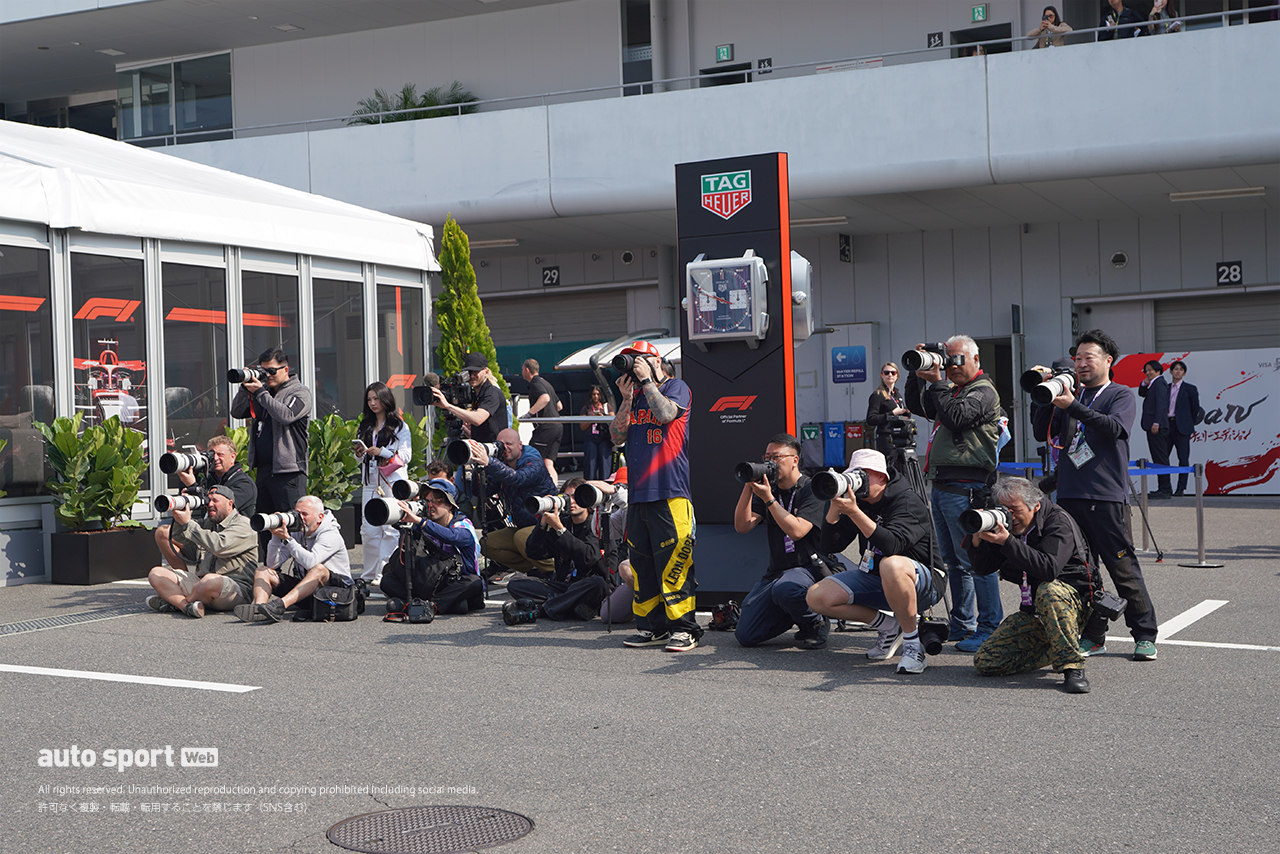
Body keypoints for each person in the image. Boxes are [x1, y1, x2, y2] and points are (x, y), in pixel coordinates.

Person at [1032, 329, 1159, 661]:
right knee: (1082, 572)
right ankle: (1093, 635)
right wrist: (1043, 394)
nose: (1081, 364)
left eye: (1089, 357)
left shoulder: (1120, 394)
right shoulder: (1070, 395)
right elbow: (1041, 431)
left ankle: (1145, 634)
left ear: (1108, 361)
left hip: (1105, 496)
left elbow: (1115, 428)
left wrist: (1072, 405)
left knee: (1123, 568)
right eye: (1077, 358)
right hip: (1069, 497)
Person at [904, 335, 1003, 653]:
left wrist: (937, 382)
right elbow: (918, 407)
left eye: (958, 359)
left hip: (968, 488)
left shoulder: (983, 391)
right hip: (943, 486)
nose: (951, 366)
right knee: (953, 562)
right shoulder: (954, 391)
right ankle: (963, 623)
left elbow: (956, 418)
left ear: (976, 360)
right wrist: (917, 373)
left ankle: (989, 627)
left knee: (976, 561)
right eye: (948, 359)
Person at [806, 449, 943, 675]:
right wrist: (834, 509)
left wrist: (855, 513)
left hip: (923, 583)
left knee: (891, 564)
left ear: (882, 476)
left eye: (863, 474)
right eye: (853, 474)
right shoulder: (859, 502)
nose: (857, 481)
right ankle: (890, 627)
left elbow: (892, 546)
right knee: (817, 596)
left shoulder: (907, 500)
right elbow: (830, 546)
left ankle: (912, 645)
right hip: (877, 577)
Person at [968, 477, 1104, 694]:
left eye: (1015, 510)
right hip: (1035, 611)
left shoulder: (1058, 523)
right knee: (986, 661)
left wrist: (1007, 542)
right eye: (1004, 510)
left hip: (1073, 605)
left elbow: (1048, 569)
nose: (1010, 516)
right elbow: (983, 568)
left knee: (1049, 591)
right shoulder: (1006, 527)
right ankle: (1058, 646)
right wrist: (977, 541)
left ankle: (1072, 666)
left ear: (1035, 506)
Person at [609, 340, 700, 652]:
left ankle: (685, 629)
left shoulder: (677, 387)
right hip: (638, 495)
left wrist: (647, 380)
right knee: (642, 565)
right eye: (630, 360)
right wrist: (625, 399)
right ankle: (651, 627)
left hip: (670, 491)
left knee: (675, 563)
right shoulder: (634, 396)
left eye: (638, 359)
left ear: (655, 361)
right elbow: (616, 436)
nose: (633, 365)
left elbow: (665, 414)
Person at [733, 433, 830, 650]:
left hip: (808, 568)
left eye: (776, 457)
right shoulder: (770, 489)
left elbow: (798, 531)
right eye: (766, 457)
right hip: (777, 572)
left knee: (786, 589)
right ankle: (793, 612)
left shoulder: (811, 488)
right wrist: (749, 486)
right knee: (746, 635)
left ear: (795, 460)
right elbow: (742, 526)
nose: (770, 463)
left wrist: (769, 499)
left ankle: (815, 621)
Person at [229, 348, 312, 553]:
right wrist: (245, 387)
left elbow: (286, 415)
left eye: (272, 371)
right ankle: (270, 568)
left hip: (289, 472)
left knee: (293, 526)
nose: (267, 376)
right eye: (263, 371)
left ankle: (302, 569)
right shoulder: (263, 391)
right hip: (265, 469)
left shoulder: (299, 392)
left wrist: (260, 392)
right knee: (265, 526)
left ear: (286, 369)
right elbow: (237, 412)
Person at [233, 495, 353, 623]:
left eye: (304, 514)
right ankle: (258, 610)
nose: (300, 518)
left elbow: (311, 562)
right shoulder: (298, 531)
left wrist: (287, 539)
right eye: (297, 513)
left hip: (336, 594)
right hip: (307, 590)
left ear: (320, 517)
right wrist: (276, 536)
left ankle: (280, 605)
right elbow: (272, 564)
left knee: (319, 569)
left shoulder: (331, 534)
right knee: (263, 570)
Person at [505, 478, 610, 622]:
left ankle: (544, 609)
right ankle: (570, 605)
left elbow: (588, 557)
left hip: (587, 586)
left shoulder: (596, 524)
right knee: (515, 584)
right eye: (567, 497)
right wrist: (543, 523)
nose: (571, 502)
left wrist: (560, 529)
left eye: (575, 497)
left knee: (597, 584)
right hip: (564, 586)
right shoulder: (564, 523)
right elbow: (534, 552)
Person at [146, 485, 257, 618]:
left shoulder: (244, 525)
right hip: (202, 584)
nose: (210, 504)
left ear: (230, 504)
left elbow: (219, 546)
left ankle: (174, 602)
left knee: (210, 581)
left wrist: (188, 524)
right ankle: (186, 606)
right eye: (208, 500)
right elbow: (179, 537)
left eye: (215, 500)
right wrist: (180, 514)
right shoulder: (209, 523)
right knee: (156, 573)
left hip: (236, 589)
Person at [154, 434, 257, 571]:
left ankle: (199, 582)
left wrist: (193, 485)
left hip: (227, 543)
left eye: (220, 454)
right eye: (212, 454)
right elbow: (190, 499)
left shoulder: (244, 483)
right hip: (205, 537)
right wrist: (190, 474)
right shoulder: (210, 478)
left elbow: (219, 508)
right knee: (163, 533)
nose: (215, 458)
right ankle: (187, 579)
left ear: (233, 457)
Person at [469, 428, 557, 579]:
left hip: (548, 524)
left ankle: (554, 571)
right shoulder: (502, 463)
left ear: (520, 445)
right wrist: (479, 467)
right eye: (500, 444)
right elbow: (483, 492)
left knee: (521, 537)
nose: (505, 448)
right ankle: (533, 568)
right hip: (524, 526)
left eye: (509, 444)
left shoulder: (534, 461)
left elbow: (517, 478)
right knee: (486, 543)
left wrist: (490, 462)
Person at [394, 478, 485, 614]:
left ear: (450, 505)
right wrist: (400, 517)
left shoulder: (463, 525)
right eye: (427, 501)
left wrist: (420, 521)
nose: (431, 505)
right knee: (388, 579)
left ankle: (427, 605)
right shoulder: (424, 523)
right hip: (434, 581)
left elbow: (451, 536)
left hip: (458, 583)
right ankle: (442, 604)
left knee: (474, 582)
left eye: (437, 501)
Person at [354, 381, 412, 585]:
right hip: (371, 480)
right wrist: (359, 454)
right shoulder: (365, 425)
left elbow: (406, 455)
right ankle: (369, 573)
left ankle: (385, 572)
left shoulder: (399, 426)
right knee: (368, 528)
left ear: (385, 399)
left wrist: (382, 452)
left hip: (392, 481)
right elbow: (359, 460)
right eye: (369, 399)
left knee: (390, 529)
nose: (372, 403)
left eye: (376, 398)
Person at [430, 351, 508, 444]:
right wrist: (471, 433)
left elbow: (478, 419)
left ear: (486, 372)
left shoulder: (492, 393)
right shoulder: (474, 393)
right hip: (480, 447)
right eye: (469, 372)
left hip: (493, 450)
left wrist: (447, 406)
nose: (471, 376)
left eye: (476, 372)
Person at [521, 359, 562, 480]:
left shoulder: (535, 383)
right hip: (557, 426)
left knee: (531, 457)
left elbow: (545, 398)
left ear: (527, 370)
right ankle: (553, 487)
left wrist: (529, 413)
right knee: (548, 462)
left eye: (522, 369)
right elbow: (559, 406)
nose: (522, 372)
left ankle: (533, 486)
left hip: (546, 427)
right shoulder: (546, 383)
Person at [1137, 359, 1172, 499]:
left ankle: (1165, 489)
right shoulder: (1153, 383)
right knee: (1158, 457)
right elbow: (1141, 392)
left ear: (1158, 370)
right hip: (1152, 426)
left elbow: (1162, 405)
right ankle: (1162, 488)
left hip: (1157, 426)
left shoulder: (1160, 383)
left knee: (1161, 457)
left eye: (1150, 370)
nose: (1148, 372)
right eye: (1146, 370)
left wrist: (1156, 422)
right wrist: (1145, 382)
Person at [865, 361, 913, 461]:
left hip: (901, 437)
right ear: (881, 375)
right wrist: (891, 414)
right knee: (891, 467)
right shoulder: (878, 395)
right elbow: (871, 419)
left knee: (903, 466)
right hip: (887, 439)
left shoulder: (897, 395)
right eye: (886, 373)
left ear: (897, 376)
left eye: (893, 373)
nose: (890, 375)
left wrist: (906, 412)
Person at [1167, 360, 1200, 496]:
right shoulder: (1165, 388)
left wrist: (1188, 422)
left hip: (1182, 427)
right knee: (1163, 458)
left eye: (1181, 369)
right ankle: (1165, 488)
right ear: (1171, 371)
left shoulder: (1190, 389)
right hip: (1167, 425)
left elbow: (1195, 408)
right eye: (1175, 369)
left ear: (1184, 373)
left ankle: (1181, 488)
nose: (1178, 371)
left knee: (1183, 458)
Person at [579, 385, 614, 482]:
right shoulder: (586, 408)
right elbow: (582, 426)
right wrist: (593, 418)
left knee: (605, 463)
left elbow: (613, 421)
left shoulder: (607, 407)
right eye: (593, 394)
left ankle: (605, 484)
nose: (596, 396)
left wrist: (603, 417)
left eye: (598, 394)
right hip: (591, 437)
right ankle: (590, 485)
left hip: (604, 437)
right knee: (590, 463)